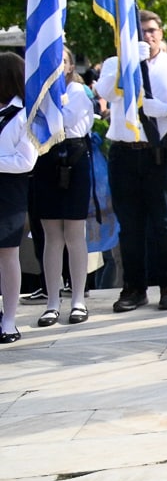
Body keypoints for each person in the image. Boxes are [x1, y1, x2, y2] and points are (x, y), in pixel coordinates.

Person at [97, 10, 167, 312]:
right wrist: (127, 65)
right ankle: (134, 288)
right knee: (130, 226)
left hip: (164, 151)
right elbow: (106, 92)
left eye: (152, 31)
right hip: (125, 151)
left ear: (161, 33)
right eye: (140, 32)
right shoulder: (114, 64)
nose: (147, 37)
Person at [30, 48, 95, 327]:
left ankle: (78, 299)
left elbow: (60, 122)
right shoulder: (39, 94)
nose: (58, 67)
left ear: (70, 67)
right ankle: (52, 302)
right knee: (51, 236)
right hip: (47, 159)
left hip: (73, 159)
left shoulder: (77, 92)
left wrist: (42, 107)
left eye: (63, 62)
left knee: (74, 233)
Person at [0, 54, 42, 343]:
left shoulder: (26, 114)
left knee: (7, 254)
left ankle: (10, 321)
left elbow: (26, 161)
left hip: (9, 191)